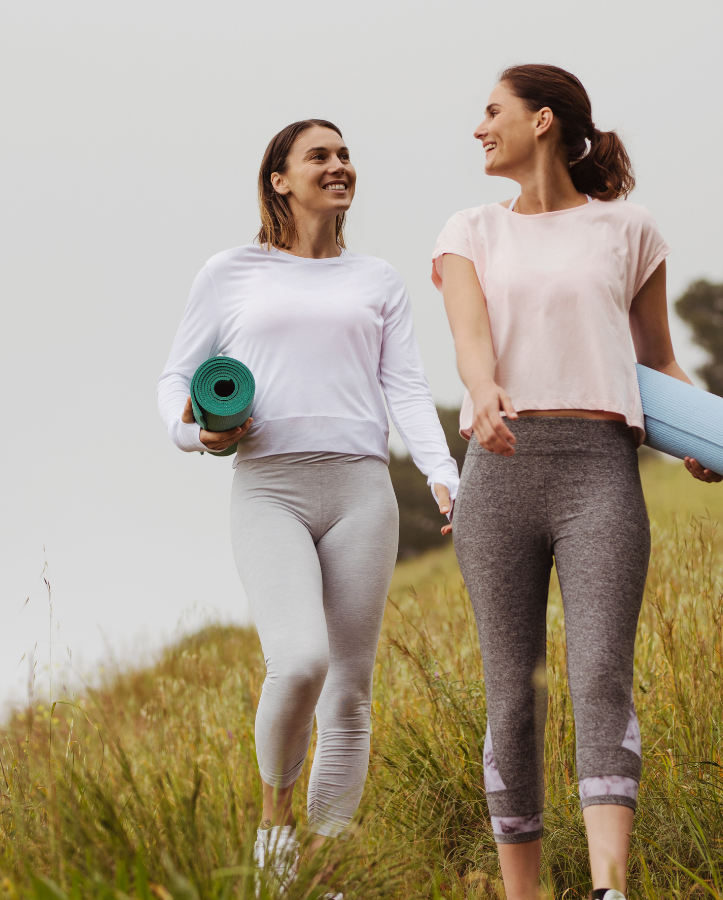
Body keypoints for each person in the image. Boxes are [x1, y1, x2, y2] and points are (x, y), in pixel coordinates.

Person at [433, 65, 722, 900]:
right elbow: (469, 341)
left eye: (493, 112)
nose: (480, 127)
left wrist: (703, 438)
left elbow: (657, 361)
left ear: (544, 121)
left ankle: (608, 887)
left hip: (600, 473)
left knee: (599, 673)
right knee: (513, 693)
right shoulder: (469, 230)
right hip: (501, 469)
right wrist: (483, 392)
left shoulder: (629, 229)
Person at [157, 118, 459, 889]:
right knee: (299, 662)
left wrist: (442, 472)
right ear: (279, 180)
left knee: (350, 696)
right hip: (269, 486)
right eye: (319, 156)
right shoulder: (229, 272)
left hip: (362, 488)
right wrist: (196, 436)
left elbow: (407, 387)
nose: (339, 165)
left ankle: (326, 874)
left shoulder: (378, 280)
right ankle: (275, 829)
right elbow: (174, 380)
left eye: (345, 154)